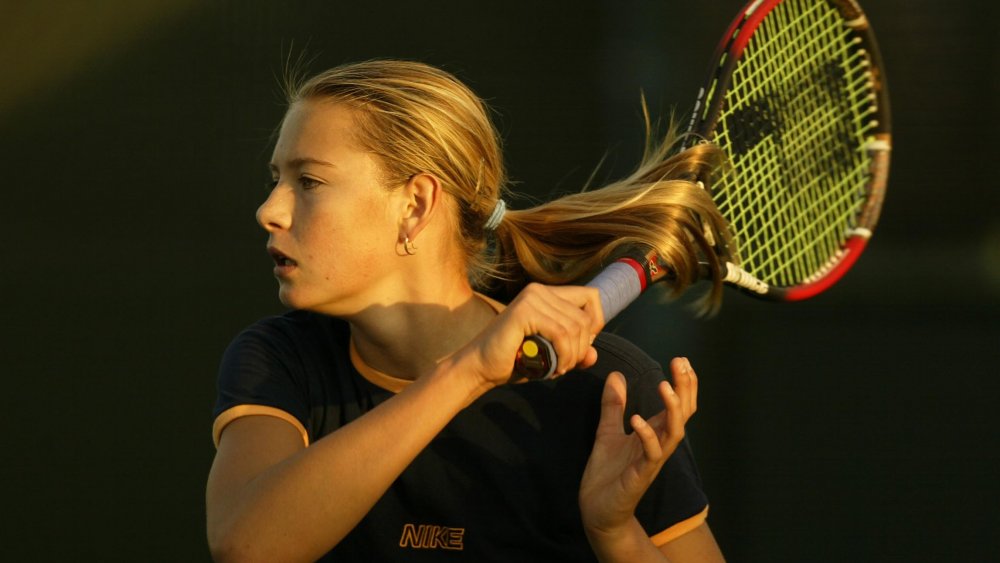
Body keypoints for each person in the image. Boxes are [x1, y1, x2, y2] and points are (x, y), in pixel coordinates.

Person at [206, 59, 734, 562]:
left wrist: (613, 533)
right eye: (276, 178)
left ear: (415, 206)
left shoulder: (609, 393)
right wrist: (470, 370)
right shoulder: (278, 359)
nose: (269, 210)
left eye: (309, 182)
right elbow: (248, 545)